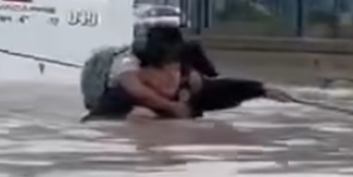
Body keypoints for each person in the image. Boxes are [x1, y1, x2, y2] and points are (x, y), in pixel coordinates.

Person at [80, 26, 291, 121]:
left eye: (177, 69)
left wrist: (261, 89)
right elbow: (92, 122)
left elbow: (222, 90)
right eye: (165, 71)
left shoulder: (188, 84)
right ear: (145, 73)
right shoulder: (123, 92)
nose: (173, 78)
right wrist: (123, 119)